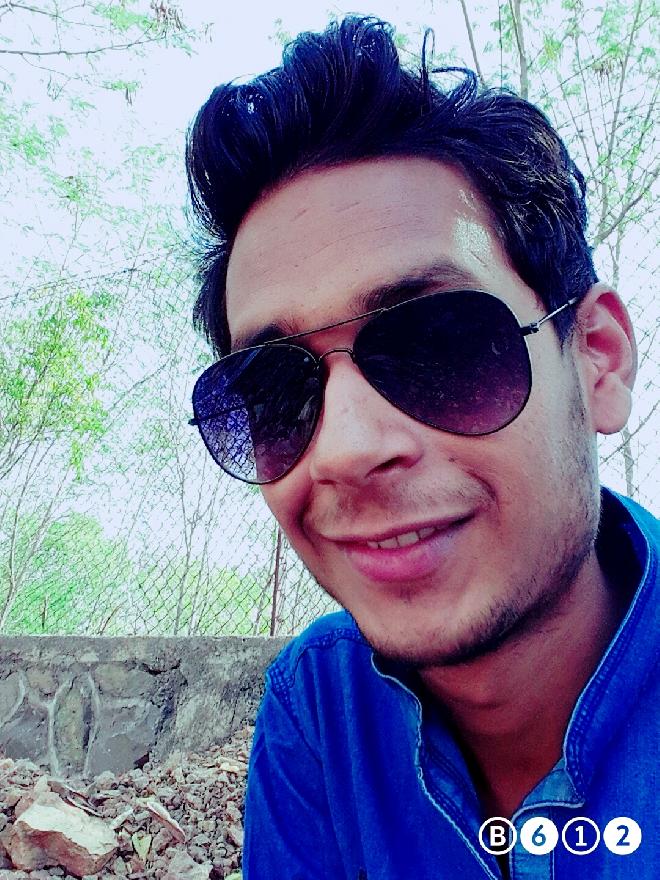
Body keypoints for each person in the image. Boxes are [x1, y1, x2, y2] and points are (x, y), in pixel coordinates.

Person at [185, 15, 658, 880]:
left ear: (597, 358)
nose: (343, 450)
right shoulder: (319, 710)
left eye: (439, 345)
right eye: (277, 390)